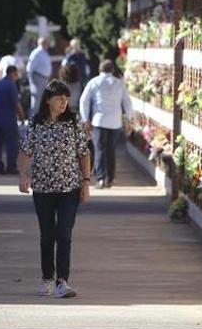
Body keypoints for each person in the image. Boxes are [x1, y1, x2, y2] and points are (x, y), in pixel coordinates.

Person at [18, 80, 92, 299]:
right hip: (42, 187)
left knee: (64, 234)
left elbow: (84, 152)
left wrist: (86, 182)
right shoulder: (36, 123)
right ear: (48, 99)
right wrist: (23, 175)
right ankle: (47, 279)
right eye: (59, 98)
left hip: (70, 187)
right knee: (47, 235)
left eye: (66, 98)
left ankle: (62, 281)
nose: (64, 102)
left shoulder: (73, 122)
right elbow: (25, 152)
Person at [79, 60, 135, 189]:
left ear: (100, 69)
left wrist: (85, 119)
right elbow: (127, 103)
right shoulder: (119, 83)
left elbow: (84, 101)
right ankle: (110, 178)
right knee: (111, 150)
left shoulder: (94, 82)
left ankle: (101, 179)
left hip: (99, 121)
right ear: (112, 70)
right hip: (115, 122)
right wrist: (129, 119)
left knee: (99, 149)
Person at [0, 66, 25, 174]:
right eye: (16, 75)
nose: (17, 77)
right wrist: (22, 117)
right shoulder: (11, 85)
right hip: (9, 120)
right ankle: (11, 167)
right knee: (12, 145)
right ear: (12, 73)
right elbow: (17, 104)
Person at [26, 37, 52, 113]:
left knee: (44, 100)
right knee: (36, 99)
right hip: (37, 77)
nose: (48, 44)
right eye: (46, 42)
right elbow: (29, 67)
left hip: (44, 78)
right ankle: (33, 120)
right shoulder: (36, 52)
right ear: (42, 43)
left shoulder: (45, 52)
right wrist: (31, 80)